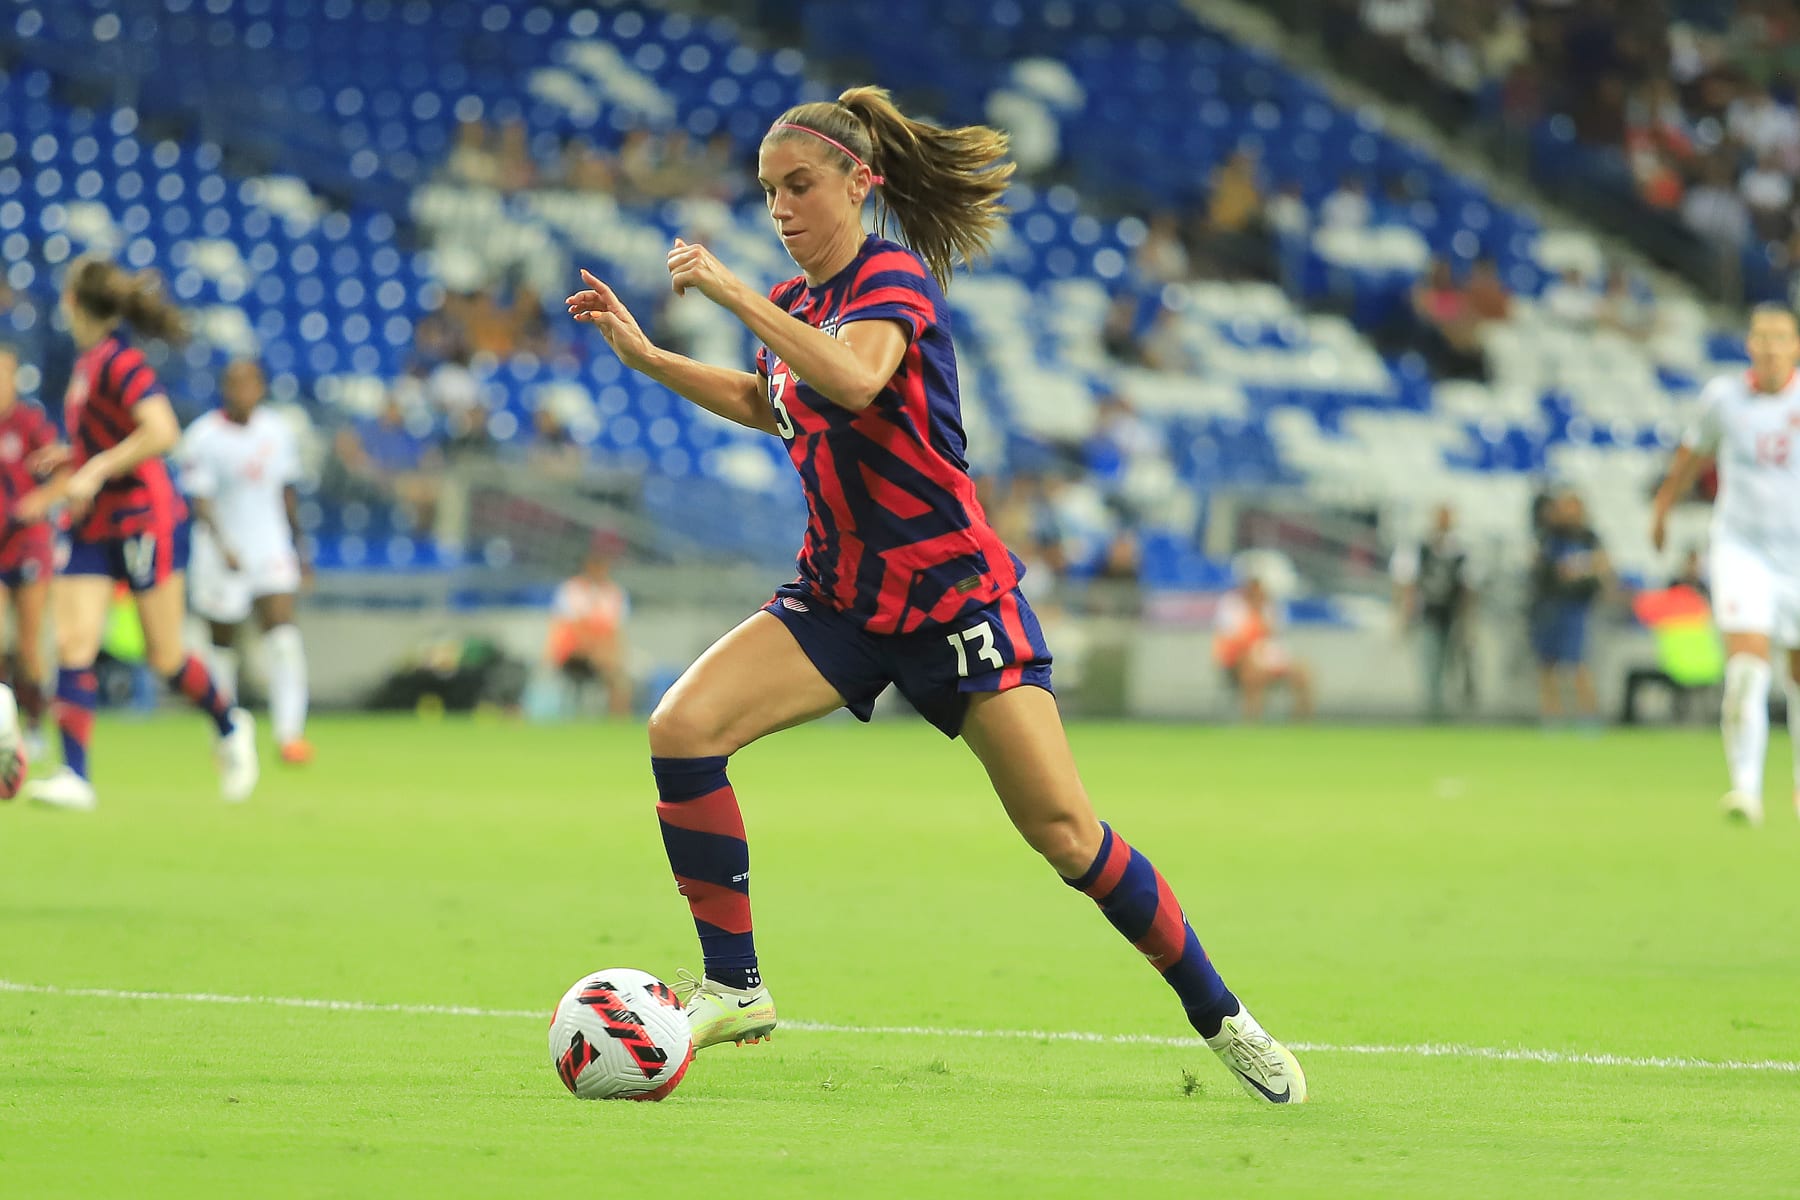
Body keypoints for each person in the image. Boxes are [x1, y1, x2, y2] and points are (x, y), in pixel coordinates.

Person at [564, 86, 1306, 1102]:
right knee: (682, 730)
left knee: (1066, 836)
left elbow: (858, 381)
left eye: (800, 184)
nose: (781, 206)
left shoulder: (891, 279)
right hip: (838, 600)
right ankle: (735, 986)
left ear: (860, 183)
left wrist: (734, 294)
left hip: (954, 604)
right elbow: (769, 398)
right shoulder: (795, 306)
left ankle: (1222, 1015)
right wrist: (648, 356)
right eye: (769, 190)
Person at [17, 257, 256, 810]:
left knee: (165, 656)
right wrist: (74, 457)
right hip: (92, 520)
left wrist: (96, 468)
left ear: (73, 302)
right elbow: (109, 437)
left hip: (143, 516)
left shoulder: (121, 363)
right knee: (73, 643)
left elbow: (162, 431)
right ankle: (76, 776)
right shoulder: (88, 364)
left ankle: (228, 723)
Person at [1652, 304, 1800, 825]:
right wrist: (1663, 506)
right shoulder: (1723, 399)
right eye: (1761, 336)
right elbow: (1693, 454)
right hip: (1742, 549)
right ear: (1749, 346)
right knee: (1747, 665)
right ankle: (1745, 789)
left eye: (1780, 337)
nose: (1770, 346)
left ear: (1796, 347)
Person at [179, 358, 313, 765]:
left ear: (261, 387)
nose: (242, 391)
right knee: (223, 646)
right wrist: (224, 547)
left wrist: (299, 547)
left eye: (250, 382)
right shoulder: (203, 436)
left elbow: (286, 492)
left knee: (284, 639)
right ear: (224, 388)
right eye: (234, 383)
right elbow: (199, 500)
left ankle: (290, 734)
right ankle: (228, 732)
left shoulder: (277, 430)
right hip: (221, 554)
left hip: (269, 548)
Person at [0, 346, 59, 755]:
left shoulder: (30, 422)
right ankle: (5, 724)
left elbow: (65, 471)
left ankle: (35, 724)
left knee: (27, 646)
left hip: (28, 545)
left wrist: (41, 501)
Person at [1530, 491, 1609, 727]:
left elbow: (1600, 566)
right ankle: (1551, 716)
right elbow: (1542, 569)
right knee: (1547, 663)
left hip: (1575, 606)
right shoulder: (1548, 535)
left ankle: (1588, 716)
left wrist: (1578, 571)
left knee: (1577, 662)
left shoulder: (1588, 537)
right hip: (1549, 605)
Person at [1391, 503, 1477, 720]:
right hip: (1427, 614)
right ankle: (1432, 709)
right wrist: (1404, 614)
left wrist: (1468, 620)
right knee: (1429, 662)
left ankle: (1443, 709)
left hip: (1452, 615)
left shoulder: (1460, 550)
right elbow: (1407, 583)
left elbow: (1468, 587)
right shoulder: (1420, 548)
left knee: (1451, 665)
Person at [544, 532, 633, 717]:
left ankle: (617, 719)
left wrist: (611, 653)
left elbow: (615, 631)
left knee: (621, 675)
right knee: (609, 667)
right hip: (573, 653)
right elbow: (575, 627)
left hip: (601, 653)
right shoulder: (573, 590)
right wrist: (596, 650)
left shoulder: (613, 593)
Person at [1212, 574, 1314, 721]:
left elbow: (1275, 638)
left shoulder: (1270, 608)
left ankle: (1301, 724)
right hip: (1238, 660)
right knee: (1253, 673)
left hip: (1267, 656)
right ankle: (1252, 720)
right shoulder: (1232, 606)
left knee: (1303, 673)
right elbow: (1232, 641)